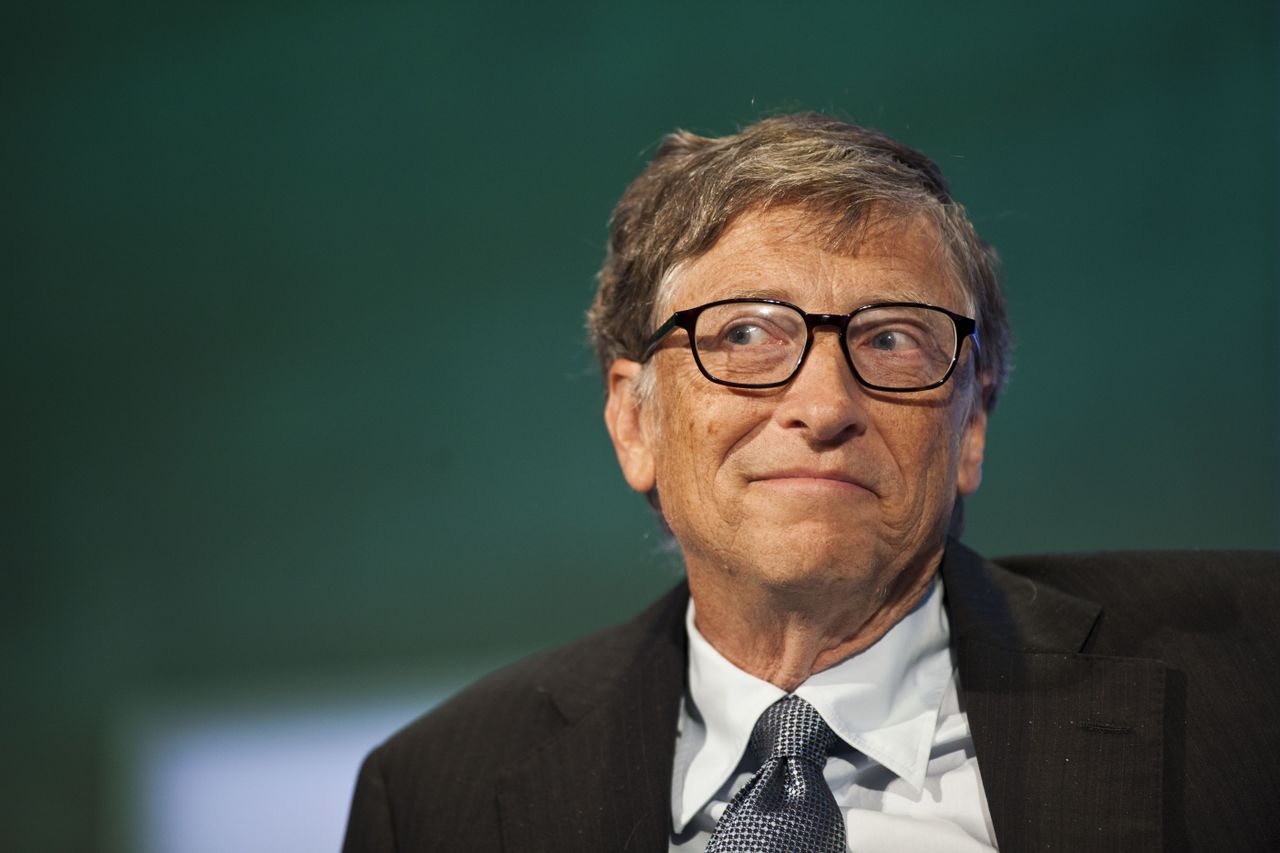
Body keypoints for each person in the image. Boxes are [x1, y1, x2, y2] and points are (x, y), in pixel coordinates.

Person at [341, 113, 1279, 852]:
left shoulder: (1249, 677)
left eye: (891, 338)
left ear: (970, 427)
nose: (824, 404)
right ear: (637, 421)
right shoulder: (435, 796)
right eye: (745, 335)